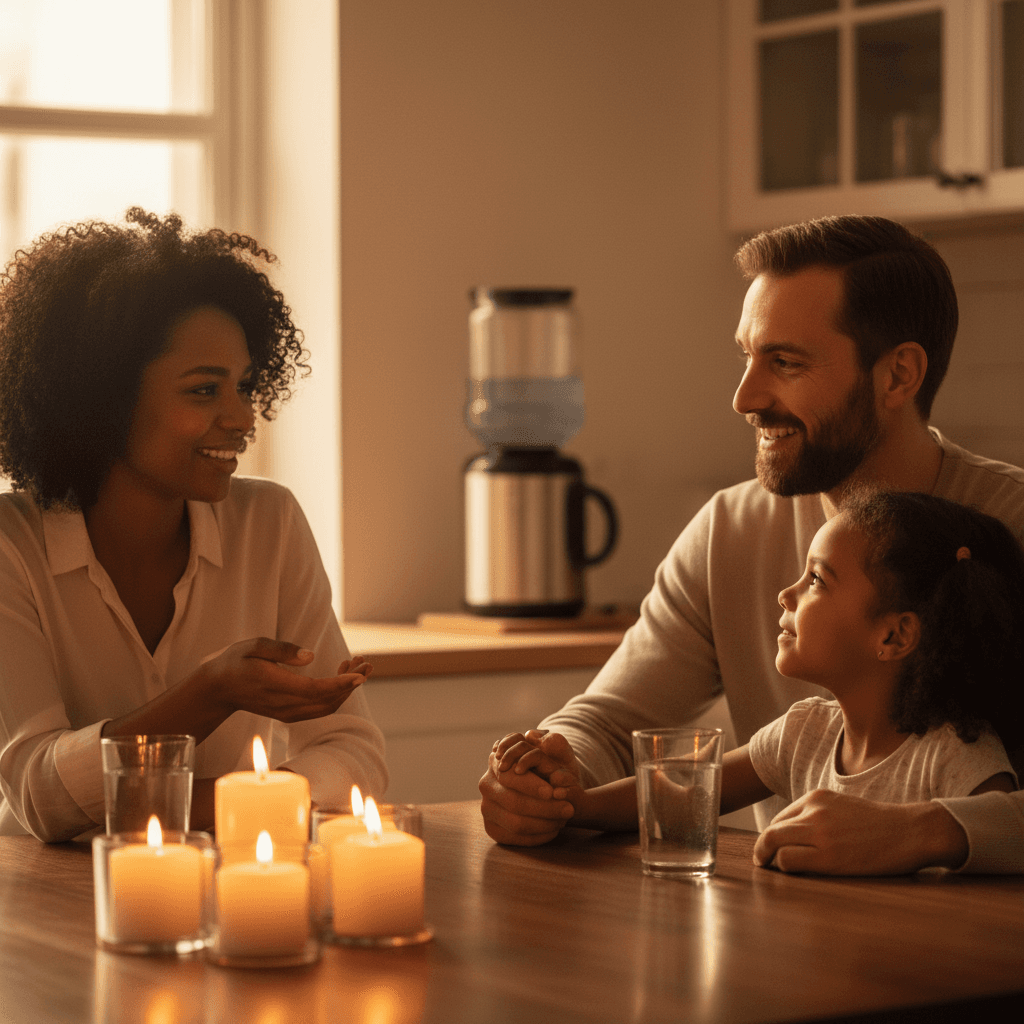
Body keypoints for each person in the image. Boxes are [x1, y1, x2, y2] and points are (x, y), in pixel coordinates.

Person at [480, 215, 1024, 874]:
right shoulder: (727, 531)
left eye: (785, 362)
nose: (745, 397)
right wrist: (547, 777)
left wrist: (920, 831)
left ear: (898, 376)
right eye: (748, 356)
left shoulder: (1010, 523)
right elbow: (607, 724)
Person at [0, 208, 386, 842]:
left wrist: (191, 804)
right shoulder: (12, 548)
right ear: (105, 396)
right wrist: (211, 692)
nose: (242, 418)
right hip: (46, 909)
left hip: (237, 892)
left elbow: (355, 755)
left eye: (245, 385)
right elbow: (42, 797)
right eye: (205, 391)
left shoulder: (271, 523)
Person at [501, 491, 1020, 840]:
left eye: (817, 580)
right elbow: (687, 793)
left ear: (893, 634)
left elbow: (1011, 828)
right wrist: (573, 804)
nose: (785, 593)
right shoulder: (805, 734)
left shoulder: (952, 754)